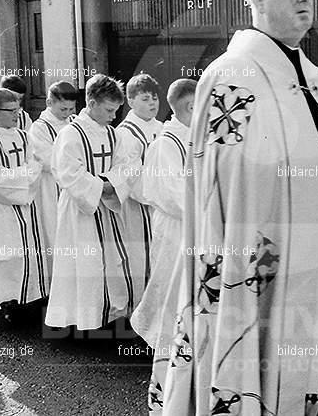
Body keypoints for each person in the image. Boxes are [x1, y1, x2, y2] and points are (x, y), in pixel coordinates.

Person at [155, 0, 318, 415]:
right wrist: (312, 157)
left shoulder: (315, 79)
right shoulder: (231, 75)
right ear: (254, 0)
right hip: (259, 258)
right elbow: (228, 175)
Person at [44, 74, 133, 330]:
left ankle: (112, 315)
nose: (113, 116)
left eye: (116, 110)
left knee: (113, 261)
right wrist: (102, 186)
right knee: (83, 264)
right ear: (91, 104)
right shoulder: (70, 134)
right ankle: (79, 320)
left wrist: (111, 185)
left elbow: (126, 165)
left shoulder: (113, 134)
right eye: (108, 110)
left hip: (107, 208)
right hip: (80, 211)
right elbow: (67, 173)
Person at [129, 78, 195, 407]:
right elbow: (173, 194)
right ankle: (165, 357)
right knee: (170, 289)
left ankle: (185, 356)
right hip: (175, 229)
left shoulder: (194, 137)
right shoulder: (167, 144)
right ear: (190, 107)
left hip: (193, 229)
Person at [0, 87, 48, 321]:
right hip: (0, 208)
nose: (18, 114)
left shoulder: (24, 136)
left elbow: (37, 166)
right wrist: (23, 177)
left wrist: (21, 176)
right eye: (11, 110)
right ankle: (8, 302)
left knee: (30, 251)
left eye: (18, 109)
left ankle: (33, 296)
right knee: (6, 253)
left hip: (27, 204)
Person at [111, 73, 164, 310]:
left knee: (161, 256)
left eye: (154, 98)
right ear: (130, 101)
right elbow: (129, 175)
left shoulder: (162, 127)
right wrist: (154, 195)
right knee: (139, 258)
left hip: (161, 203)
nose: (152, 103)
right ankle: (137, 312)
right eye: (145, 99)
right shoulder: (126, 133)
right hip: (138, 205)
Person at [28, 81, 77, 261]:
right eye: (64, 109)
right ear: (49, 103)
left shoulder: (73, 121)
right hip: (51, 187)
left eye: (71, 109)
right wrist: (76, 163)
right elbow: (48, 160)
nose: (68, 113)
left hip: (74, 183)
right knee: (55, 231)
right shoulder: (40, 127)